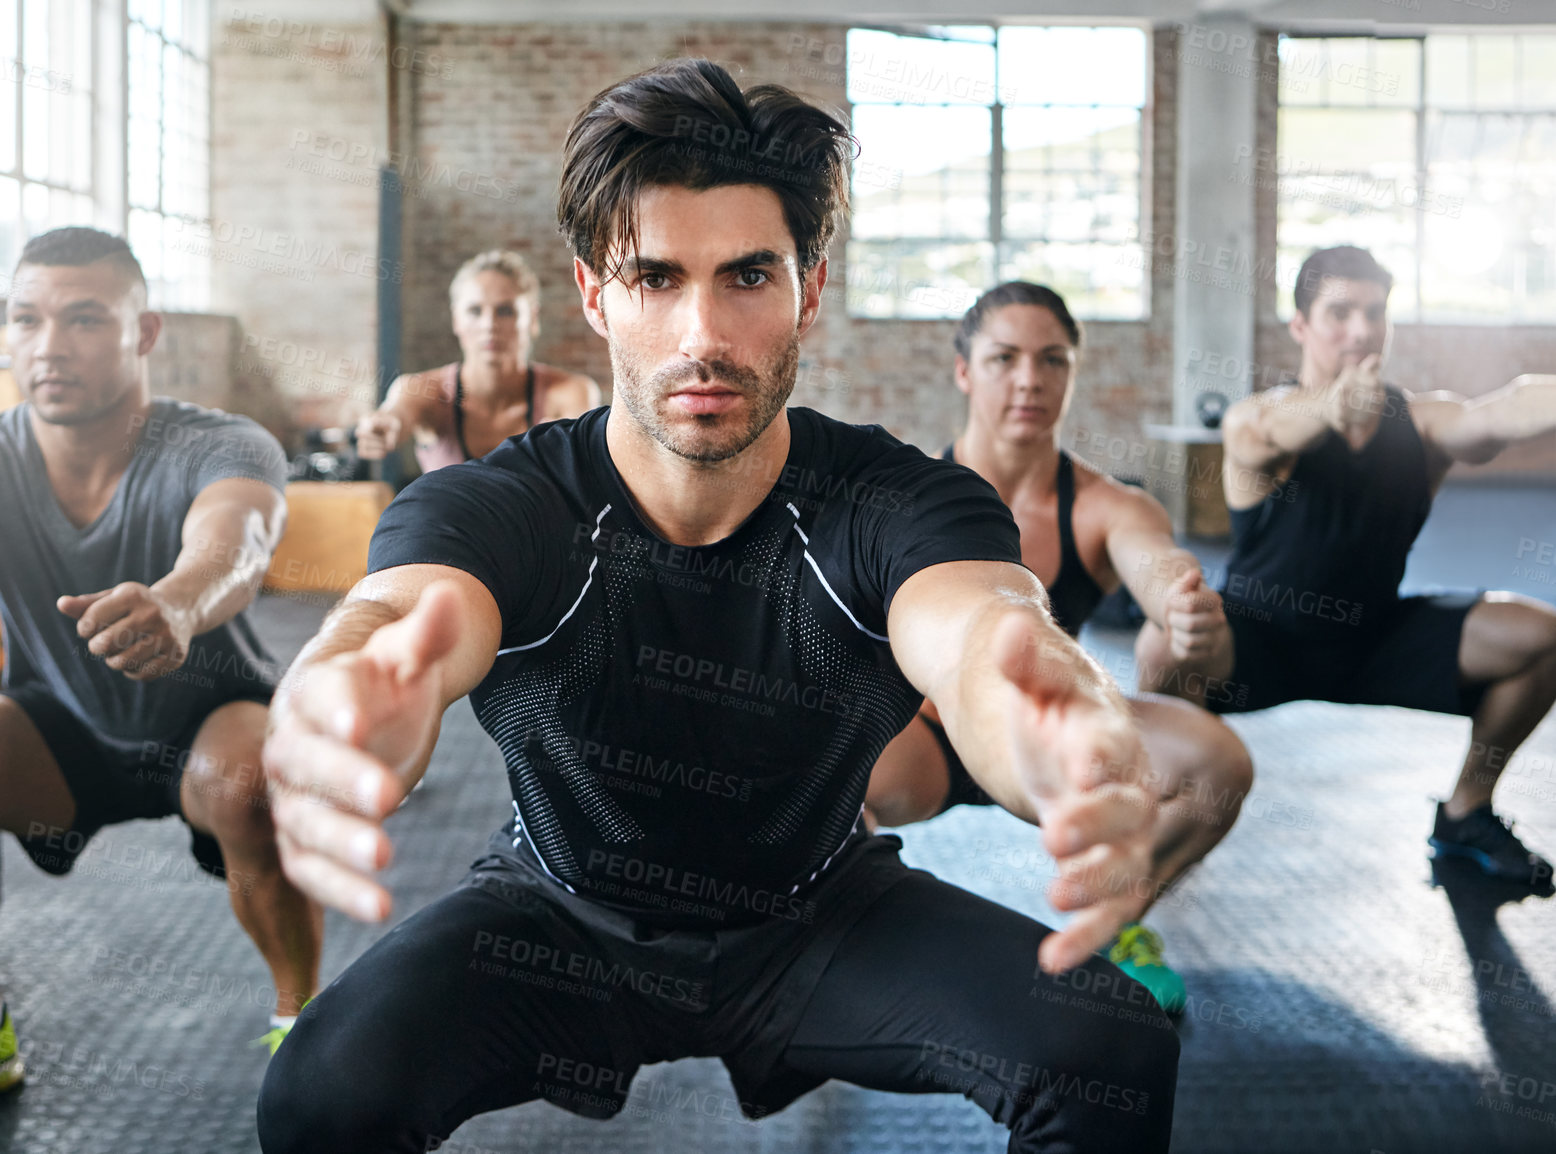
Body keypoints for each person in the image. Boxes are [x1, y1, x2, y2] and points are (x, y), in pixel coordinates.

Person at [258, 60, 1180, 1154]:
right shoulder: (496, 504)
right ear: (594, 294)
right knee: (321, 1093)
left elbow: (984, 635)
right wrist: (340, 696)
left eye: (748, 276)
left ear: (810, 289)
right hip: (558, 915)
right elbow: (396, 620)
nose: (703, 331)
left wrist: (1054, 722)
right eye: (654, 278)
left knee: (1110, 1050)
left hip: (819, 912)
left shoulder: (895, 501)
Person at [0, 228, 321, 1139]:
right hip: (59, 724)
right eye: (27, 319)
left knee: (252, 786)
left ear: (144, 330)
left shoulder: (216, 440)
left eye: (85, 318)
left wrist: (176, 604)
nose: (50, 344)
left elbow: (238, 542)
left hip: (206, 715)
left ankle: (310, 1034)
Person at [864, 281, 1253, 1013]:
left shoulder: (1109, 505)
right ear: (964, 371)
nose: (1029, 380)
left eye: (1052, 361)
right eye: (1004, 358)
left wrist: (1181, 602)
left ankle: (1119, 925)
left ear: (1072, 373)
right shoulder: (901, 495)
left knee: (1218, 765)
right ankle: (830, 943)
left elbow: (1153, 558)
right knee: (818, 764)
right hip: (923, 743)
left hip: (1053, 744)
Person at [1139, 244, 1556, 886]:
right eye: (1340, 313)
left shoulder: (1420, 422)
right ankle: (1158, 816)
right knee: (1163, 645)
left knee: (1539, 635)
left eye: (1374, 312)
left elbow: (1499, 412)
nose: (1361, 330)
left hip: (1375, 640)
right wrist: (1331, 408)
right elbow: (1271, 432)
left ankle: (1466, 811)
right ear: (1301, 326)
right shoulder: (1258, 417)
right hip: (1257, 643)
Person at [354, 249, 602, 471]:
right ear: (456, 320)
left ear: (533, 319)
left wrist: (567, 443)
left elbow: (585, 456)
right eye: (474, 311)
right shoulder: (425, 391)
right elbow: (397, 414)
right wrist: (382, 427)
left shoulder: (569, 391)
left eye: (505, 311)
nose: (489, 325)